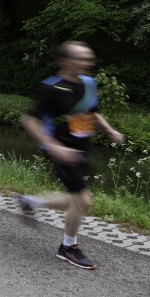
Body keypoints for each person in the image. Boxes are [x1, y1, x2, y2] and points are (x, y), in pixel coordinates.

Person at [19, 41, 124, 270]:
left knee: (78, 200)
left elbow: (93, 112)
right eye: (82, 58)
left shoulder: (89, 83)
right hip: (60, 151)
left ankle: (31, 202)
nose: (88, 62)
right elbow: (29, 121)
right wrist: (54, 146)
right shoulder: (51, 87)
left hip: (81, 149)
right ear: (66, 61)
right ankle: (68, 247)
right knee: (83, 200)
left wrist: (109, 130)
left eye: (89, 58)